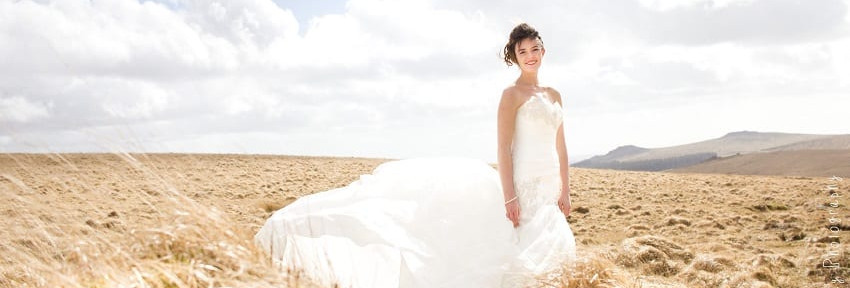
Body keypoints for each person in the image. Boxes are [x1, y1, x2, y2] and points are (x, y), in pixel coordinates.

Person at [254, 23, 576, 288]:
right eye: (523, 52)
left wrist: (566, 189)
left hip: (550, 190)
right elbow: (503, 149)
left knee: (554, 252)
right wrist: (509, 197)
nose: (530, 56)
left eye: (535, 49)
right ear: (515, 58)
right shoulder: (511, 95)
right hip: (522, 186)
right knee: (510, 252)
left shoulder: (554, 95)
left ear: (543, 51)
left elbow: (560, 146)